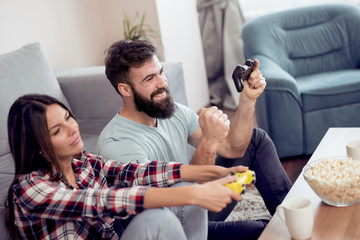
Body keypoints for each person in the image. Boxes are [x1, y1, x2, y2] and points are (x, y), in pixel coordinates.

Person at [97, 40, 292, 240]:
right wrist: (208, 141)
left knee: (256, 140)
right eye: (149, 79)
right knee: (262, 231)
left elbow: (234, 149)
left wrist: (248, 100)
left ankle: (294, 212)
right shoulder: (117, 144)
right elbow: (182, 205)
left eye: (160, 72)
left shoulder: (172, 111)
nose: (163, 83)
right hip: (177, 228)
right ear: (125, 89)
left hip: (198, 203)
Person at [5, 94, 249, 240]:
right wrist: (196, 193)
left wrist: (214, 172)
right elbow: (103, 200)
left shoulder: (83, 162)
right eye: (57, 130)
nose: (72, 128)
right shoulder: (29, 189)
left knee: (183, 184)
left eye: (68, 117)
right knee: (157, 220)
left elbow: (134, 173)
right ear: (38, 146)